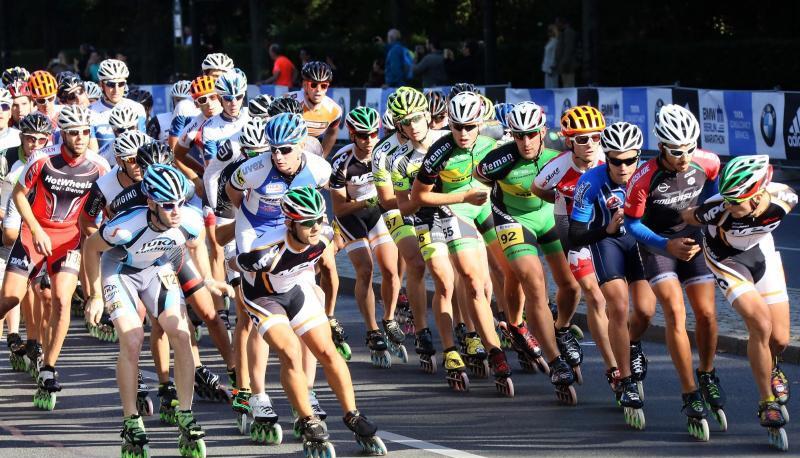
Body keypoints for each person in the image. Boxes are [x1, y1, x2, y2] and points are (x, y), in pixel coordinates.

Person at [230, 186, 387, 456]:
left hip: (294, 289)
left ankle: (352, 414)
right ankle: (307, 419)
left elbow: (330, 258)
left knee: (327, 350)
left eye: (319, 218)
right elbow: (236, 265)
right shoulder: (265, 251)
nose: (315, 227)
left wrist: (327, 308)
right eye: (307, 223)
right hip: (262, 297)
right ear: (290, 223)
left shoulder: (324, 235)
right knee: (290, 352)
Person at [82, 164, 211, 457]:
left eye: (180, 203)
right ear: (151, 203)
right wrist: (94, 296)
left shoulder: (188, 219)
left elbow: (197, 243)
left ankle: (186, 412)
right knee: (132, 338)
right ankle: (131, 420)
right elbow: (91, 248)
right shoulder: (125, 225)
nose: (176, 210)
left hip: (156, 268)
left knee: (181, 333)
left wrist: (208, 278)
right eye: (168, 205)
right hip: (120, 270)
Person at [623, 104, 725, 441]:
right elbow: (632, 223)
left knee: (708, 315)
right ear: (662, 145)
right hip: (658, 246)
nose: (684, 157)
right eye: (676, 151)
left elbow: (711, 201)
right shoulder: (643, 177)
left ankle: (707, 373)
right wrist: (666, 246)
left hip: (692, 241)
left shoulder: (708, 162)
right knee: (675, 312)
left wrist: (711, 229)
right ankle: (689, 391)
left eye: (690, 148)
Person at [0, 105, 110, 410]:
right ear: (62, 133)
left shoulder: (99, 166)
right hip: (33, 236)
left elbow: (108, 204)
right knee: (9, 300)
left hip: (69, 240)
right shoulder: (42, 158)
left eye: (85, 132)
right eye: (73, 132)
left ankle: (48, 367)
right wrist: (35, 229)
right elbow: (19, 195)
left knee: (61, 299)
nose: (79, 138)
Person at [683, 155, 792, 451]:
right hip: (726, 259)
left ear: (758, 193)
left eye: (736, 200)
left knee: (780, 338)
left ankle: (771, 366)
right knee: (760, 323)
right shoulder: (716, 209)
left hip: (762, 253)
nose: (729, 205)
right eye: (726, 198)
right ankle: (766, 402)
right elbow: (688, 216)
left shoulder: (785, 198)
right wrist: (690, 220)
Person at [409, 90, 514, 394]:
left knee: (481, 280)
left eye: (470, 127)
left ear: (481, 123)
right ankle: (451, 349)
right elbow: (418, 198)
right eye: (457, 127)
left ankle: (495, 342)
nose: (463, 133)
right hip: (434, 213)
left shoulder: (493, 138)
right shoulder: (439, 151)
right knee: (446, 282)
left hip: (468, 211)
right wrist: (463, 196)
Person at [475, 102, 580, 404]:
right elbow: (478, 181)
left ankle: (558, 329)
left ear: (543, 132)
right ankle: (553, 358)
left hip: (549, 215)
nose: (525, 142)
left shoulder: (560, 147)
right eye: (518, 136)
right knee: (533, 281)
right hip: (512, 218)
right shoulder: (499, 159)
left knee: (571, 286)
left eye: (531, 135)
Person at [569, 121, 656, 427]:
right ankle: (627, 380)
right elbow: (575, 235)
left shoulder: (651, 175)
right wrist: (604, 229)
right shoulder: (590, 182)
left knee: (645, 312)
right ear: (607, 157)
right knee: (618, 307)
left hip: (641, 243)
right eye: (615, 160)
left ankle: (630, 346)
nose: (622, 167)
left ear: (639, 156)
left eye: (629, 160)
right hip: (608, 243)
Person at [533, 105, 612, 386]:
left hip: (603, 220)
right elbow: (537, 188)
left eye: (596, 137)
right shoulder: (558, 166)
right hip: (568, 220)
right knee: (593, 293)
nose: (590, 144)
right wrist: (558, 201)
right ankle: (613, 369)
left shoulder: (609, 159)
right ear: (569, 141)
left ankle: (562, 326)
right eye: (581, 139)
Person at [330, 107, 403, 366]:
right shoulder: (341, 162)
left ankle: (389, 318)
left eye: (373, 134)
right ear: (351, 134)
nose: (369, 140)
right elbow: (339, 208)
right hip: (351, 216)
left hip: (377, 213)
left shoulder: (386, 155)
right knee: (365, 270)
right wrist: (366, 201)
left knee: (391, 270)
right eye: (362, 135)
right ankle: (372, 330)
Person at [288, 61, 342, 158]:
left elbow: (331, 133)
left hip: (311, 150)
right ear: (305, 85)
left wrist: (322, 157)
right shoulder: (288, 102)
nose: (318, 90)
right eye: (313, 85)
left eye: (323, 86)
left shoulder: (334, 111)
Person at [554, 17, 578, 87]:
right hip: (564, 65)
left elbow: (569, 49)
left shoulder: (569, 32)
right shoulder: (564, 33)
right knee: (566, 84)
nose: (556, 24)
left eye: (557, 22)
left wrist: (564, 64)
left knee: (568, 85)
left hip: (567, 66)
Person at [542, 24, 559, 88]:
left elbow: (555, 54)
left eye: (550, 31)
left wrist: (553, 65)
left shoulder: (555, 42)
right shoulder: (550, 41)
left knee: (553, 85)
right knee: (547, 85)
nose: (548, 33)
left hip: (552, 67)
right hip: (546, 67)